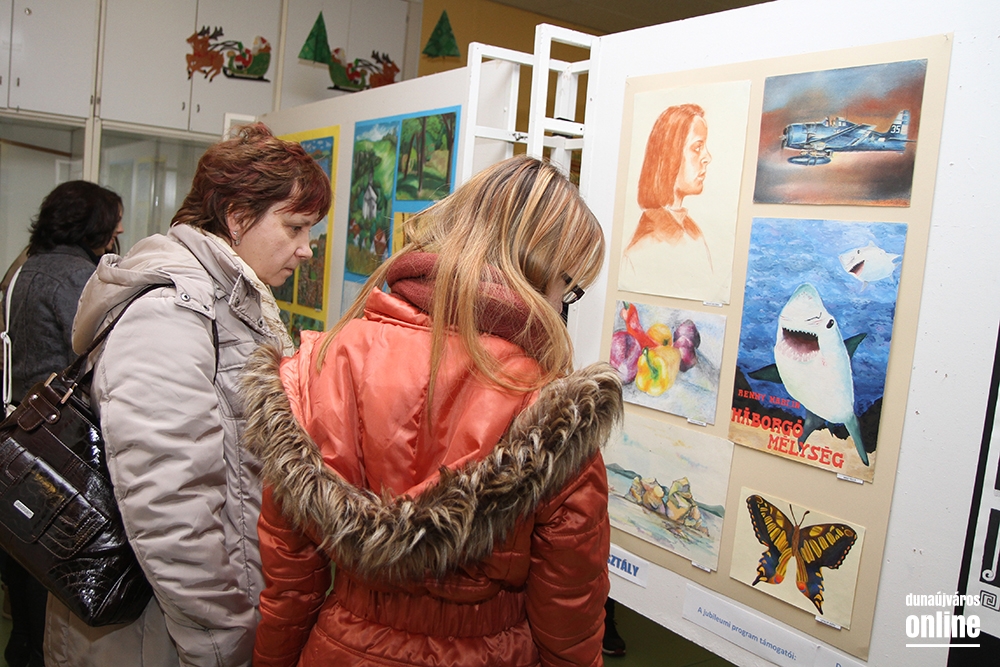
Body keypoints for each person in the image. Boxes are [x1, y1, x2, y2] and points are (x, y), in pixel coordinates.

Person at [243, 155, 623, 667]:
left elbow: (290, 585)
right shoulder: (552, 412)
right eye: (569, 287)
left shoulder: (325, 361)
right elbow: (569, 615)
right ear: (537, 270)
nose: (560, 306)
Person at [43, 123, 331, 667]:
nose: (306, 249)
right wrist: (222, 640)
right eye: (295, 227)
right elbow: (167, 504)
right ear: (237, 217)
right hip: (151, 635)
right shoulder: (171, 311)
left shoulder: (229, 304)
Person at [2, 180, 123, 667]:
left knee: (21, 553)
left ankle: (23, 648)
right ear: (94, 227)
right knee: (56, 565)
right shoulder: (80, 278)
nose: (117, 237)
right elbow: (100, 352)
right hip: (62, 441)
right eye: (113, 227)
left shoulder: (23, 268)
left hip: (20, 427)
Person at [620, 103, 714, 286]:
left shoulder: (692, 230)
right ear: (671, 155)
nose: (707, 157)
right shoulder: (646, 246)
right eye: (697, 148)